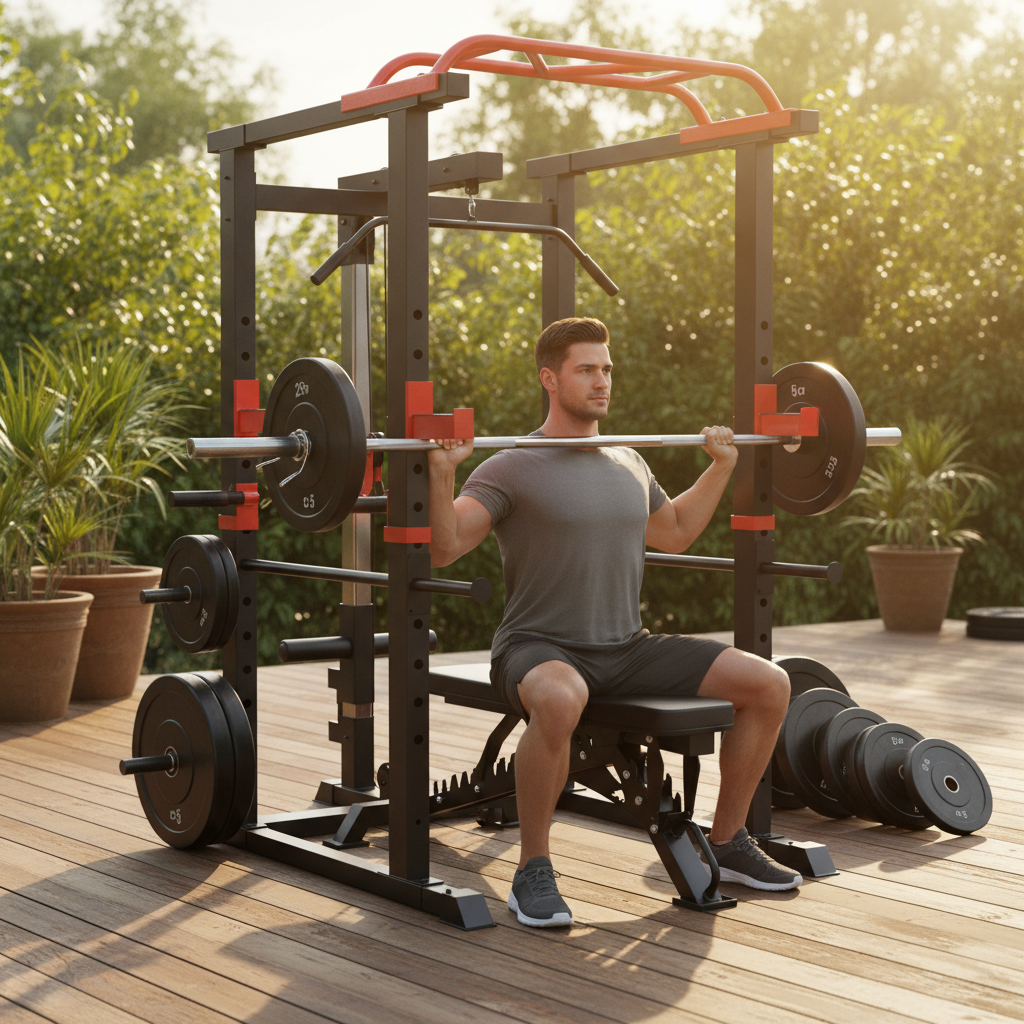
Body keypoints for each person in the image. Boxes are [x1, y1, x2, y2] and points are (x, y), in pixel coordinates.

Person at [428, 316, 800, 929]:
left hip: (626, 648)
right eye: (586, 370)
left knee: (769, 684)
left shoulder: (629, 460)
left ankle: (728, 841)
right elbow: (444, 548)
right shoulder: (511, 466)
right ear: (550, 379)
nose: (601, 381)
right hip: (539, 646)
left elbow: (674, 532)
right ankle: (533, 868)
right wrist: (442, 471)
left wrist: (721, 467)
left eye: (606, 369)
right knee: (560, 697)